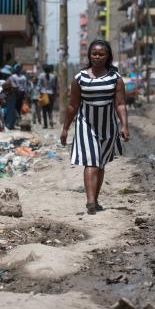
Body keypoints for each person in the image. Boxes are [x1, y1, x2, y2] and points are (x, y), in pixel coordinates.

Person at [61, 40, 130, 215]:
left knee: (101, 164)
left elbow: (120, 104)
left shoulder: (115, 78)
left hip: (108, 126)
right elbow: (72, 106)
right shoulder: (80, 78)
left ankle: (96, 200)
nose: (97, 57)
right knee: (91, 161)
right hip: (86, 124)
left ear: (108, 57)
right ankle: (90, 201)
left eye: (101, 54)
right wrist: (65, 128)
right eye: (94, 54)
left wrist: (124, 125)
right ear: (89, 56)